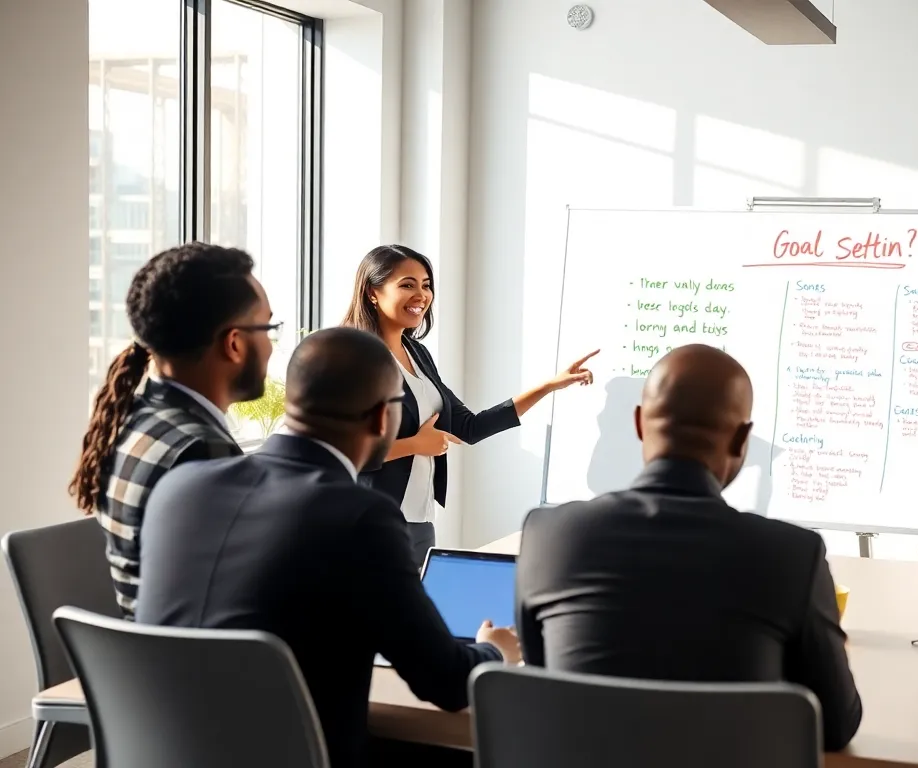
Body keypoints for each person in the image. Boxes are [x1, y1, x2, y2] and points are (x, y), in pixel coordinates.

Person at [136, 327, 519, 768]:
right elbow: (446, 683)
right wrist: (495, 650)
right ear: (382, 418)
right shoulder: (360, 517)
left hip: (169, 751)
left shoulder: (180, 487)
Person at [515, 344, 863, 752]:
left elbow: (545, 687)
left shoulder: (546, 535)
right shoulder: (792, 555)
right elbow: (836, 726)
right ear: (742, 439)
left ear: (641, 425)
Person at [341, 244, 598, 564]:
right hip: (371, 519)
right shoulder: (354, 356)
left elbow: (469, 427)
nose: (421, 294)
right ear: (372, 293)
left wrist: (549, 386)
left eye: (426, 285)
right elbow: (346, 451)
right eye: (407, 284)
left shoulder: (417, 354)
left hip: (420, 521)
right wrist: (415, 444)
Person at [69, 242, 275, 618]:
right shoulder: (203, 450)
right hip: (186, 669)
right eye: (267, 327)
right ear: (234, 343)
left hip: (140, 663)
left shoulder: (132, 416)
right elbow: (241, 602)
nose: (271, 345)